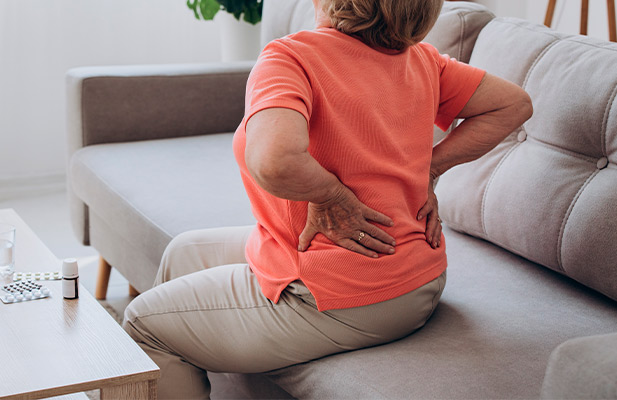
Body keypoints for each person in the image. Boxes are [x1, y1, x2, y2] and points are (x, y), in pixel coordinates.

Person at [123, 0, 533, 398]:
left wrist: (332, 194)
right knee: (184, 252)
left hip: (348, 293)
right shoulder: (422, 59)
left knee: (144, 325)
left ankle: (172, 358)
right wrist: (430, 167)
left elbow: (275, 160)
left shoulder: (292, 58)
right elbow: (514, 103)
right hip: (420, 278)